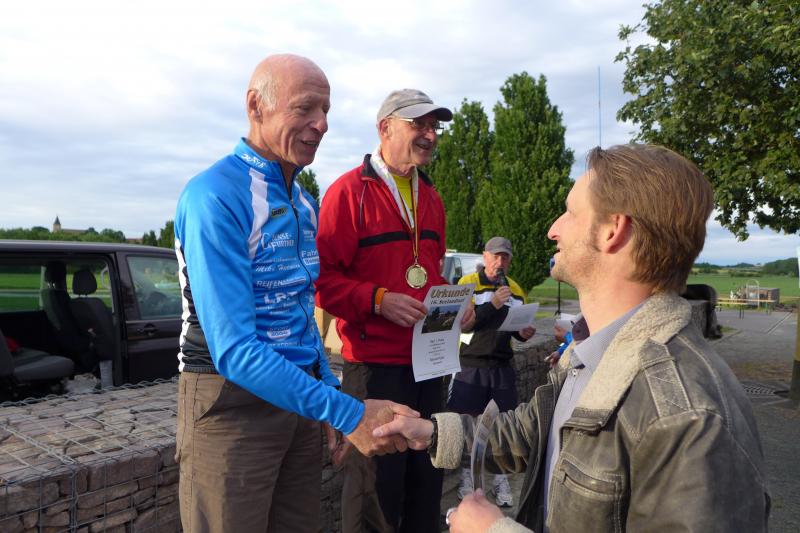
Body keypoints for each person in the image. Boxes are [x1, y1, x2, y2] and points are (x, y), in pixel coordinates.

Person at [374, 144, 771, 532]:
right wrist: (432, 432)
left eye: (570, 212)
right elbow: (535, 432)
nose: (553, 230)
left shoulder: (689, 416)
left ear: (613, 230)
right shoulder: (593, 350)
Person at [173, 54, 417, 533]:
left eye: (326, 110)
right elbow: (234, 350)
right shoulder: (214, 195)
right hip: (229, 403)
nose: (321, 124)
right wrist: (347, 412)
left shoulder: (304, 202)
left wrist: (327, 395)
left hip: (298, 400)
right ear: (255, 106)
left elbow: (302, 315)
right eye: (305, 108)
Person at [316, 88, 473, 532]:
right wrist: (378, 300)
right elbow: (322, 282)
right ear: (385, 128)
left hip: (429, 365)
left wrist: (455, 304)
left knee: (426, 482)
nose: (430, 134)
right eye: (418, 124)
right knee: (374, 494)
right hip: (375, 368)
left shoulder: (433, 198)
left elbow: (429, 275)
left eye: (434, 126)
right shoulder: (348, 192)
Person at [447, 236, 535, 506]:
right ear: (484, 256)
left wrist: (523, 333)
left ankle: (500, 479)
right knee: (467, 422)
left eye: (505, 257)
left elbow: (515, 327)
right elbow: (463, 324)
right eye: (495, 256)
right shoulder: (467, 284)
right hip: (470, 364)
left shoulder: (515, 289)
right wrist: (493, 304)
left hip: (501, 366)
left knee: (502, 423)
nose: (500, 262)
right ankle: (466, 478)